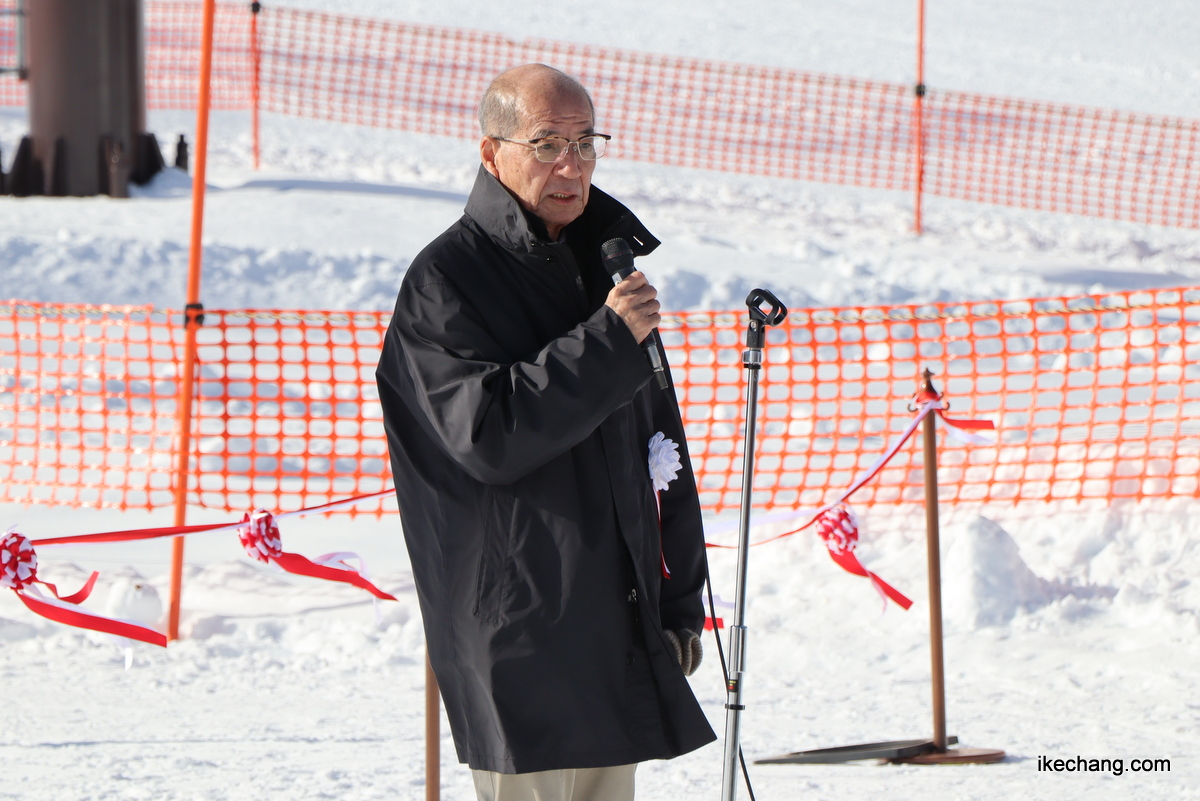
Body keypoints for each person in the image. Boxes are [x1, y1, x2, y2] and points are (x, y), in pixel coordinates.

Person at [376, 63, 715, 801]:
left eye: (586, 143)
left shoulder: (607, 268)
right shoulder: (446, 280)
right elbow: (487, 435)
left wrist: (679, 602)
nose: (572, 164)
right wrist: (602, 343)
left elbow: (663, 451)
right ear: (491, 152)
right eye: (547, 142)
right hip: (518, 643)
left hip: (613, 633)